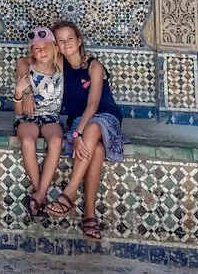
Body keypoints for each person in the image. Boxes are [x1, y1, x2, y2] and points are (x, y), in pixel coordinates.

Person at [45, 20, 125, 241]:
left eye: (70, 38)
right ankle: (89, 215)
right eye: (60, 41)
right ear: (56, 45)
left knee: (92, 128)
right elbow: (28, 60)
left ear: (79, 40)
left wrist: (77, 134)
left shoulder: (94, 66)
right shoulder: (60, 65)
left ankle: (68, 193)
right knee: (96, 151)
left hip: (105, 118)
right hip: (81, 123)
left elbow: (93, 105)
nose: (66, 43)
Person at [11, 25, 66, 218]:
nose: (41, 51)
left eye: (45, 46)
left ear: (54, 48)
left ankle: (38, 196)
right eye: (36, 48)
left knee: (56, 141)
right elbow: (19, 111)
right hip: (27, 118)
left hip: (51, 117)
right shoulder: (26, 67)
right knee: (27, 141)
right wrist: (22, 93)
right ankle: (40, 192)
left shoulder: (60, 64)